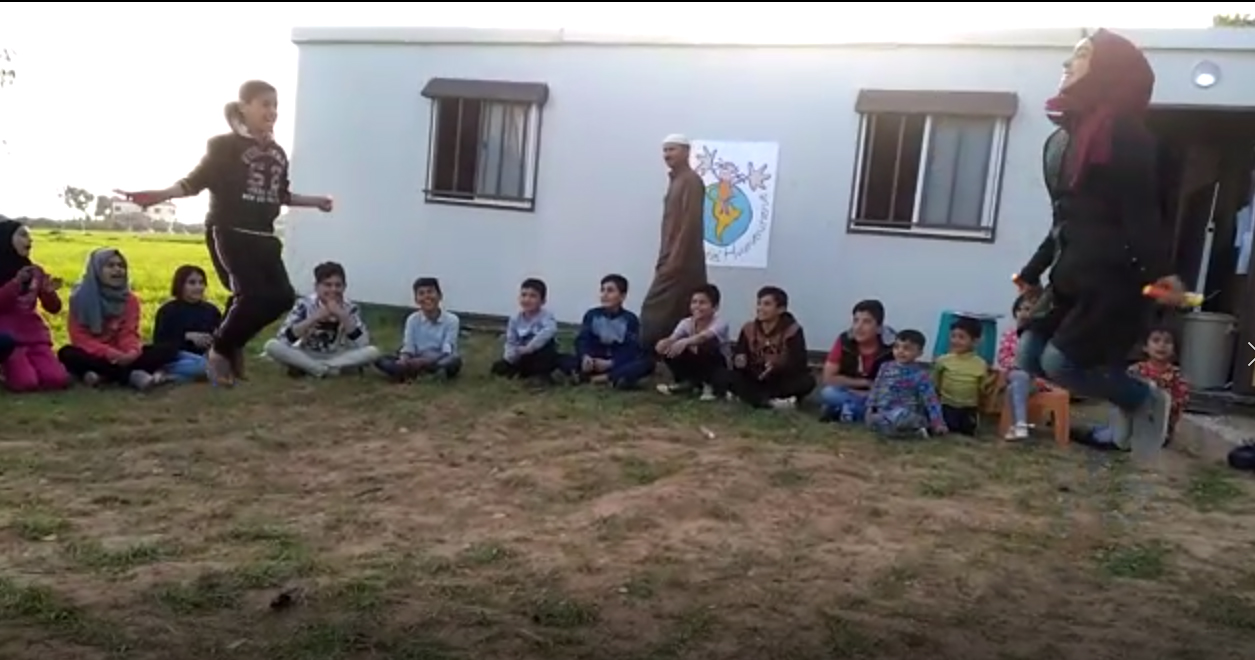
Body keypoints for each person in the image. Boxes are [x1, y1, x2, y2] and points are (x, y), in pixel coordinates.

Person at [1015, 29, 1185, 454]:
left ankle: (1141, 398)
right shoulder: (1061, 140)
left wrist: (1161, 273)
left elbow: (1142, 212)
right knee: (1028, 355)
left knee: (1059, 362)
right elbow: (1063, 219)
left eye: (1081, 56)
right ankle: (1126, 399)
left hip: (1112, 278)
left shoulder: (1127, 136)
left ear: (1107, 71)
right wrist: (1032, 272)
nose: (1067, 65)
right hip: (1069, 273)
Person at [116, 80, 334, 385]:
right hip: (230, 232)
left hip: (264, 236)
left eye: (275, 105)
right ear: (244, 107)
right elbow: (195, 182)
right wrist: (160, 195)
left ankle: (231, 343)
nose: (272, 111)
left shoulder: (278, 152)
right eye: (265, 104)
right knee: (252, 294)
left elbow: (280, 194)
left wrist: (316, 202)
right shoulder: (223, 146)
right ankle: (220, 349)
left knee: (282, 297)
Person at [58, 248, 178, 390]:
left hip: (122, 352)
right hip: (94, 353)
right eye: (110, 265)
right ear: (96, 270)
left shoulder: (130, 300)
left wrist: (131, 352)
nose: (117, 270)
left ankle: (100, 375)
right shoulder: (79, 299)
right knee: (67, 353)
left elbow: (129, 332)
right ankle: (130, 376)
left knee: (168, 349)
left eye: (121, 266)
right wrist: (110, 354)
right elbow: (80, 338)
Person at [639, 134, 708, 348]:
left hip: (681, 260)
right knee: (683, 310)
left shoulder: (691, 181)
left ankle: (647, 351)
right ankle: (669, 353)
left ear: (686, 152)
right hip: (673, 256)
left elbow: (690, 223)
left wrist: (674, 260)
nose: (667, 155)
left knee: (654, 307)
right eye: (665, 150)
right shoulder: (677, 181)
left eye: (672, 149)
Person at [1073, 326, 1189, 449]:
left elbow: (1179, 404)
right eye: (1156, 340)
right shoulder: (1135, 370)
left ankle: (1104, 436)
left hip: (1156, 429)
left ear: (1174, 349)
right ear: (1145, 347)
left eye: (1167, 342)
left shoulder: (1177, 377)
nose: (1162, 345)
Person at [262, 262, 381, 378]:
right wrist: (314, 318)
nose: (333, 290)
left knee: (373, 352)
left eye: (338, 285)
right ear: (317, 287)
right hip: (307, 353)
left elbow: (363, 343)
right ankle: (325, 369)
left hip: (338, 355)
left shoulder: (350, 307)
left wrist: (342, 315)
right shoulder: (304, 304)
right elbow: (284, 339)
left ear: (344, 287)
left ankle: (314, 368)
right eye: (327, 285)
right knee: (271, 346)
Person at [0, 220, 70, 391]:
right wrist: (16, 284)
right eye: (23, 235)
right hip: (9, 340)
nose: (30, 240)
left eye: (30, 236)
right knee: (26, 382)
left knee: (57, 379)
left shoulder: (35, 271)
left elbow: (54, 308)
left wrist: (48, 292)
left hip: (35, 336)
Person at [721, 286, 815, 409]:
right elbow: (740, 356)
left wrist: (777, 366)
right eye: (759, 304)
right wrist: (739, 360)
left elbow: (799, 363)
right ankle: (772, 402)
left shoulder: (793, 330)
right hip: (754, 376)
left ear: (781, 309)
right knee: (727, 376)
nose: (760, 308)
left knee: (807, 381)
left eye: (766, 304)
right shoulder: (748, 328)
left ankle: (753, 398)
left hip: (780, 378)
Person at [573, 274, 654, 388]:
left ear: (622, 296)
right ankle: (614, 379)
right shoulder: (592, 315)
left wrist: (611, 363)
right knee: (566, 360)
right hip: (594, 360)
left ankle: (603, 378)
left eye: (610, 291)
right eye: (602, 290)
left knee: (647, 363)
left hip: (616, 362)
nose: (605, 295)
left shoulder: (630, 319)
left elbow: (631, 348)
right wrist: (585, 356)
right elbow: (583, 339)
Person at [818, 300, 893, 422]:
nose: (858, 327)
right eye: (856, 321)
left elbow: (897, 385)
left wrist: (871, 393)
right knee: (828, 393)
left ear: (879, 328)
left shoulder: (892, 346)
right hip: (850, 391)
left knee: (893, 402)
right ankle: (859, 412)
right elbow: (829, 378)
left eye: (866, 322)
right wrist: (865, 383)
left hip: (878, 395)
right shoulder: (845, 340)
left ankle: (846, 410)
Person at [375, 277, 462, 381]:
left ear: (439, 296)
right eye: (421, 293)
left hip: (438, 359)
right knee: (381, 359)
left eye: (430, 292)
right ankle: (416, 373)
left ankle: (415, 373)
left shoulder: (452, 320)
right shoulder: (412, 319)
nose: (426, 297)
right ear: (416, 300)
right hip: (414, 359)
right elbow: (409, 346)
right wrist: (404, 360)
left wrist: (424, 361)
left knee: (453, 360)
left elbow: (447, 350)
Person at [864, 329, 946, 438]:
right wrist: (870, 406)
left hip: (906, 412)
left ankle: (920, 426)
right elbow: (876, 387)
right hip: (885, 410)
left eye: (907, 348)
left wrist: (938, 422)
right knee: (872, 421)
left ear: (919, 353)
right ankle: (915, 433)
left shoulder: (921, 375)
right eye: (896, 347)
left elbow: (931, 400)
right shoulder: (885, 367)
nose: (900, 351)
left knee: (899, 418)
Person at [656, 283, 730, 401]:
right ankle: (688, 382)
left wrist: (685, 342)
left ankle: (708, 385)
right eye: (694, 302)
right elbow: (673, 338)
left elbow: (704, 337)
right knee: (670, 348)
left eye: (702, 303)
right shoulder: (686, 322)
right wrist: (663, 344)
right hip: (697, 364)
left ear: (715, 307)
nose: (697, 306)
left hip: (718, 366)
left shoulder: (721, 323)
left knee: (705, 345)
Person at [152, 265, 222, 383]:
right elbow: (159, 342)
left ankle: (168, 377)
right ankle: (164, 369)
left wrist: (215, 339)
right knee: (203, 366)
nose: (198, 287)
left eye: (201, 282)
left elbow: (220, 335)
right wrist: (187, 336)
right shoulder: (168, 311)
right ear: (180, 285)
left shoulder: (211, 310)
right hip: (176, 355)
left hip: (205, 355)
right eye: (192, 283)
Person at [998, 292, 1049, 440]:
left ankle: (1016, 427)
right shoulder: (1010, 334)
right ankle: (1021, 425)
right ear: (1016, 312)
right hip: (1014, 374)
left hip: (1034, 380)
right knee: (1020, 376)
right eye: (1022, 309)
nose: (1025, 314)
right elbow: (1003, 358)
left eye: (1030, 310)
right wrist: (1019, 364)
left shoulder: (1039, 338)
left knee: (1013, 389)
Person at [491, 278, 563, 383]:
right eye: (524, 295)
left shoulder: (546, 316)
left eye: (533, 296)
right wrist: (510, 356)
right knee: (499, 367)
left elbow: (549, 331)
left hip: (540, 352)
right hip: (522, 354)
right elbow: (511, 340)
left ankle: (543, 376)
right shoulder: (515, 318)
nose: (527, 299)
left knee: (547, 348)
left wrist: (530, 347)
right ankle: (522, 373)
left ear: (543, 301)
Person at [933, 317, 988, 436]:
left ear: (975, 341)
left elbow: (982, 388)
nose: (956, 341)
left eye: (961, 337)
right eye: (953, 336)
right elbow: (935, 382)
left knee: (967, 430)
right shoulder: (943, 360)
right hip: (947, 404)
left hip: (969, 407)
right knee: (947, 428)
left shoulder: (980, 364)